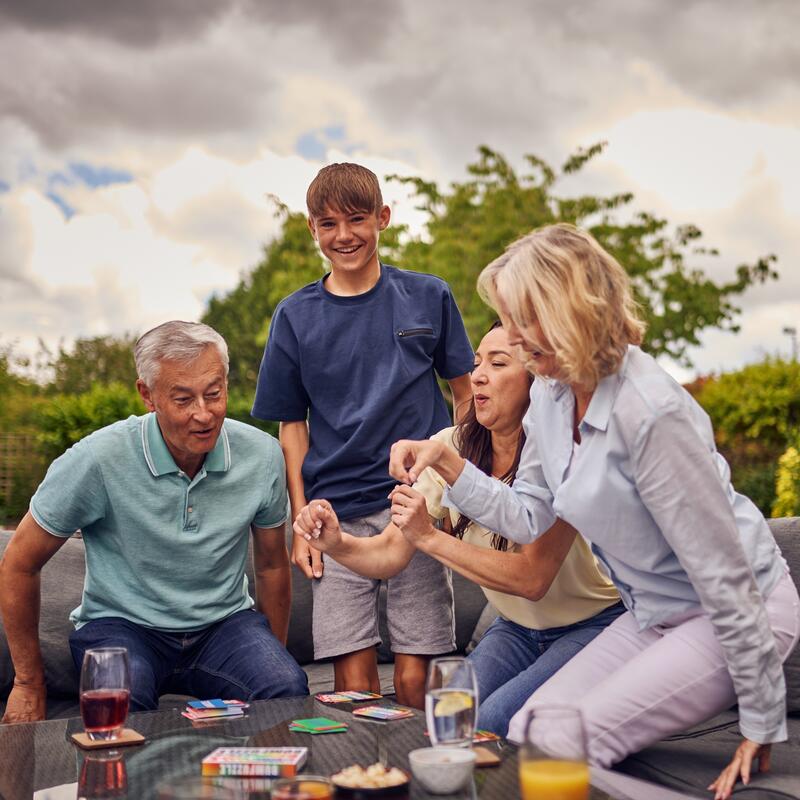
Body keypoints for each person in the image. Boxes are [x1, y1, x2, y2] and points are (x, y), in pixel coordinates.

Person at [387, 224, 800, 799]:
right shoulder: (552, 399)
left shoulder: (651, 413)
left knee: (564, 745)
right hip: (652, 613)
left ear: (566, 310)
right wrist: (450, 466)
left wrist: (761, 720)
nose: (508, 334)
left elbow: (726, 575)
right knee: (532, 731)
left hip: (733, 611)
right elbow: (528, 515)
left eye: (518, 318)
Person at [293, 323, 624, 735]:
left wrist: (429, 537)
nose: (478, 375)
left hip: (592, 625)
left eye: (498, 363)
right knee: (444, 719)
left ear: (538, 380)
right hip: (518, 630)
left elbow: (532, 579)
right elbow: (388, 555)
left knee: (492, 723)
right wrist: (336, 542)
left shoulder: (563, 450)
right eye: (476, 363)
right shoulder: (450, 444)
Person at [0, 321, 308, 722]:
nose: (204, 414)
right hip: (121, 626)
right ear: (147, 395)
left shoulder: (263, 456)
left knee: (284, 686)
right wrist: (27, 683)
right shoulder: (96, 460)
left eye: (214, 394)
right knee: (119, 702)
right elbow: (20, 563)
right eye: (183, 399)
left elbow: (270, 565)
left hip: (223, 626)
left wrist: (271, 651)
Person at [252, 163, 474, 708]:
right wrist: (303, 522)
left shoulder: (429, 296)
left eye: (356, 219)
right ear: (312, 229)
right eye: (328, 224)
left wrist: (454, 487)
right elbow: (292, 427)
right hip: (335, 514)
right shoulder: (294, 316)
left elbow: (468, 397)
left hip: (415, 508)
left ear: (383, 218)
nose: (344, 235)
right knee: (354, 689)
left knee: (417, 685)